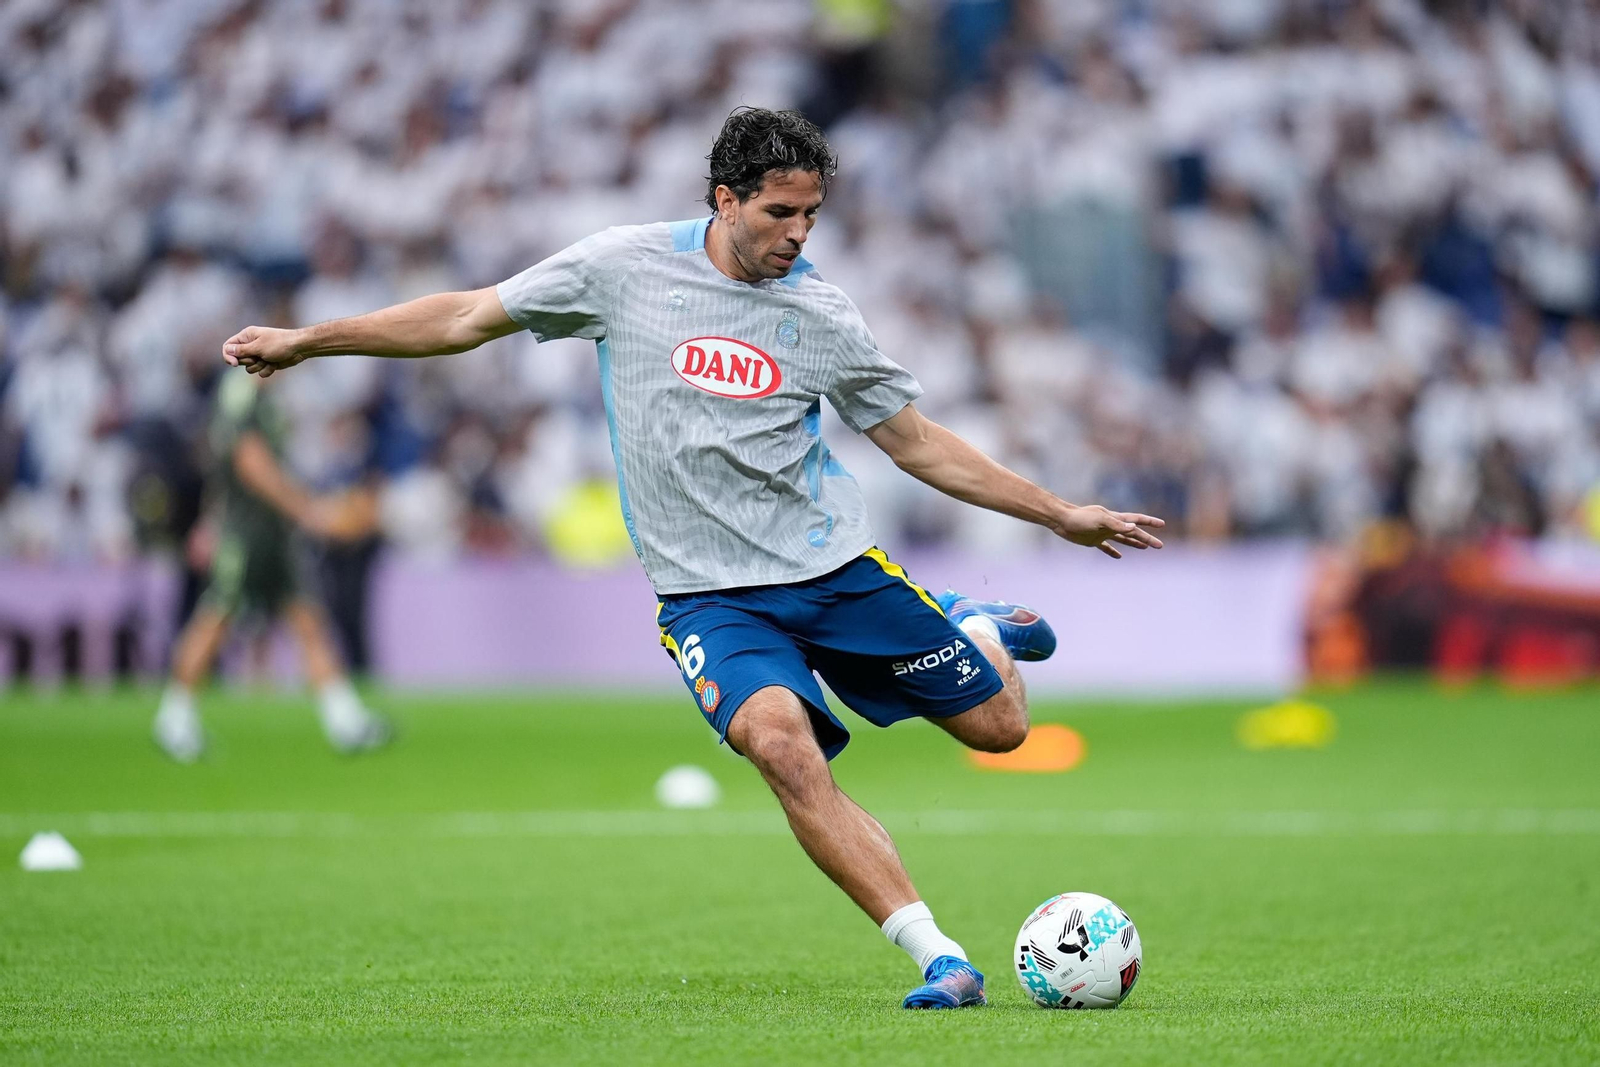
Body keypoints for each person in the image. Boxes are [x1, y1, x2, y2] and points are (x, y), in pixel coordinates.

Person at [219, 107, 1164, 1008]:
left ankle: (975, 628)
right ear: (725, 198)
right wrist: (310, 342)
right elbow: (465, 316)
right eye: (780, 212)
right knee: (781, 746)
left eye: (811, 214)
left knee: (1001, 731)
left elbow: (916, 444)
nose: (799, 233)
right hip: (711, 599)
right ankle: (940, 956)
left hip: (834, 573)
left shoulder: (821, 314)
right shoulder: (620, 268)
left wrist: (1058, 513)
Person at [152, 371, 391, 762]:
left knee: (307, 617)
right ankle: (173, 718)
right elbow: (250, 463)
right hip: (247, 532)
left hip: (273, 531)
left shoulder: (263, 399)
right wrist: (306, 510)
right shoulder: (241, 393)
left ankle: (344, 719)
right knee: (216, 616)